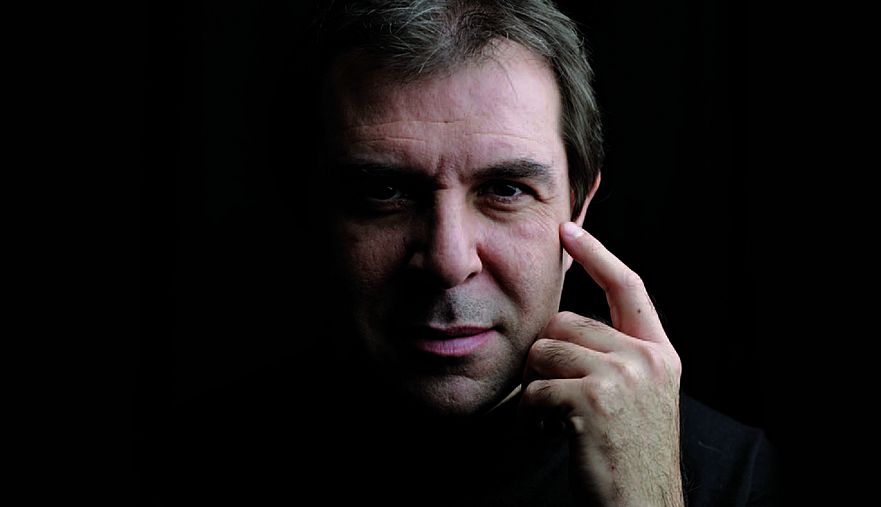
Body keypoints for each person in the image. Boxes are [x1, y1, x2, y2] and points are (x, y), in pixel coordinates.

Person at [147, 1, 775, 505]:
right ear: (309, 209)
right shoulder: (185, 465)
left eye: (506, 190)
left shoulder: (740, 478)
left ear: (579, 207)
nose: (448, 262)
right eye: (384, 192)